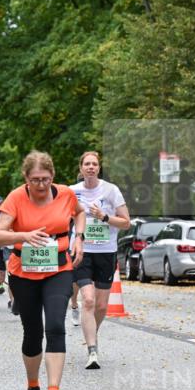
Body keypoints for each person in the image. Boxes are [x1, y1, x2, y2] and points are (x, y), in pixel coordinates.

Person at [0, 151, 85, 390]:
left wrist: (80, 238)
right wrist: (23, 235)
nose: (41, 185)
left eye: (45, 179)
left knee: (55, 325)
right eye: (35, 180)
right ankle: (33, 387)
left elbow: (79, 213)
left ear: (53, 177)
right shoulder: (16, 198)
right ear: (26, 178)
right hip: (24, 273)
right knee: (33, 333)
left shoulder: (66, 194)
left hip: (59, 268)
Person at [70, 151, 131, 369]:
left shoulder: (111, 190)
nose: (91, 167)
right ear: (81, 168)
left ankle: (91, 333)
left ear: (99, 168)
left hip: (106, 252)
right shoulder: (71, 192)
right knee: (88, 300)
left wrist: (104, 217)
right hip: (81, 251)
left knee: (102, 305)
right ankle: (92, 351)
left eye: (94, 164)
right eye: (86, 164)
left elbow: (126, 223)